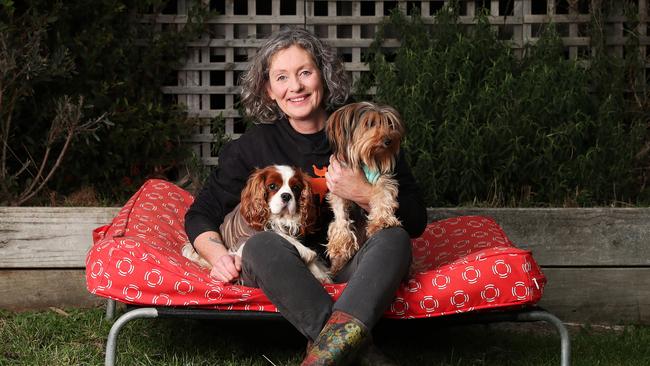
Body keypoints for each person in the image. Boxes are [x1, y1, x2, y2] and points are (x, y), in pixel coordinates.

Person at [184, 27, 427, 365]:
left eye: (305, 73)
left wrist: (365, 195)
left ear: (324, 77)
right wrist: (217, 255)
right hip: (283, 272)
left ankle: (325, 352)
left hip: (344, 269)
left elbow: (416, 220)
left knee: (395, 238)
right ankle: (361, 354)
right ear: (269, 90)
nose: (295, 87)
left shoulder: (367, 133)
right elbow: (200, 214)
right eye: (281, 77)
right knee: (260, 244)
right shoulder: (252, 147)